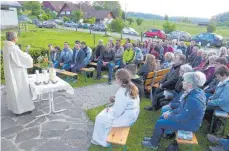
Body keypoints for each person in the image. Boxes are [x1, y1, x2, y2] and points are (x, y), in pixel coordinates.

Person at [142, 71, 206, 149]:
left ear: (190, 84)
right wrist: (170, 112)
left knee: (160, 122)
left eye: (184, 80)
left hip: (190, 125)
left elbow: (183, 118)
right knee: (162, 117)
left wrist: (170, 116)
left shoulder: (193, 99)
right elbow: (181, 108)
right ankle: (154, 139)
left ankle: (153, 144)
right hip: (187, 120)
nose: (182, 82)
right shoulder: (195, 92)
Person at [91, 69, 140, 147]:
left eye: (116, 78)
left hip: (126, 118)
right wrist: (115, 100)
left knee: (100, 118)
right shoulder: (131, 85)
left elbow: (117, 112)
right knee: (103, 115)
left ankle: (101, 141)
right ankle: (101, 137)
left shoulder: (123, 92)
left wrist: (109, 110)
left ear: (120, 80)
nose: (115, 79)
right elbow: (126, 102)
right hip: (132, 114)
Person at [2, 32, 34, 115]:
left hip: (10, 72)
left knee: (14, 90)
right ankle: (25, 108)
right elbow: (22, 58)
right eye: (16, 36)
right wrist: (27, 54)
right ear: (14, 38)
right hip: (17, 73)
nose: (17, 38)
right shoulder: (13, 47)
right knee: (22, 89)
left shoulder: (5, 46)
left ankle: (15, 109)